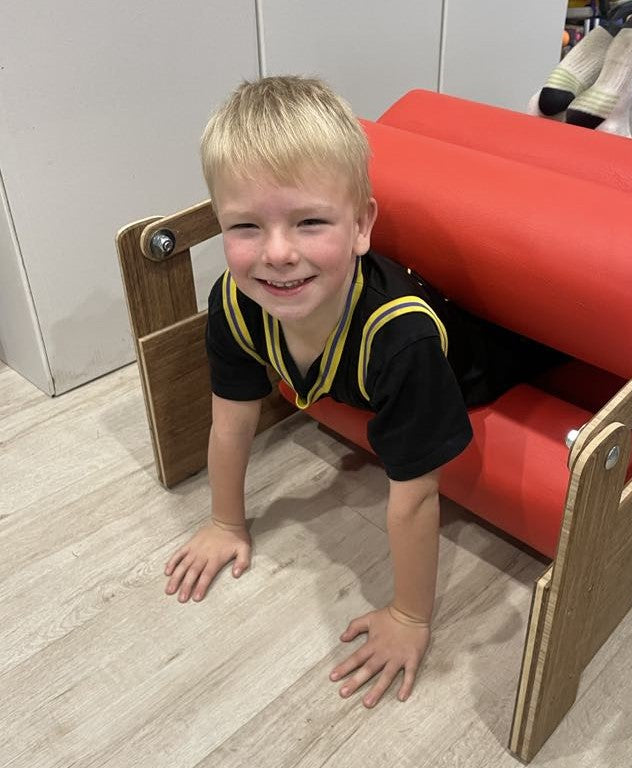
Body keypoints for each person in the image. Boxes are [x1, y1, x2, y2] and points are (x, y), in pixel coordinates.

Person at [163, 75, 564, 708]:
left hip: (495, 359)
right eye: (244, 226)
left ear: (361, 225)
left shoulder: (399, 340)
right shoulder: (233, 305)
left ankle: (567, 117)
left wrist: (410, 616)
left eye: (311, 222)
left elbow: (414, 498)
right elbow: (231, 423)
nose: (277, 254)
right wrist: (224, 520)